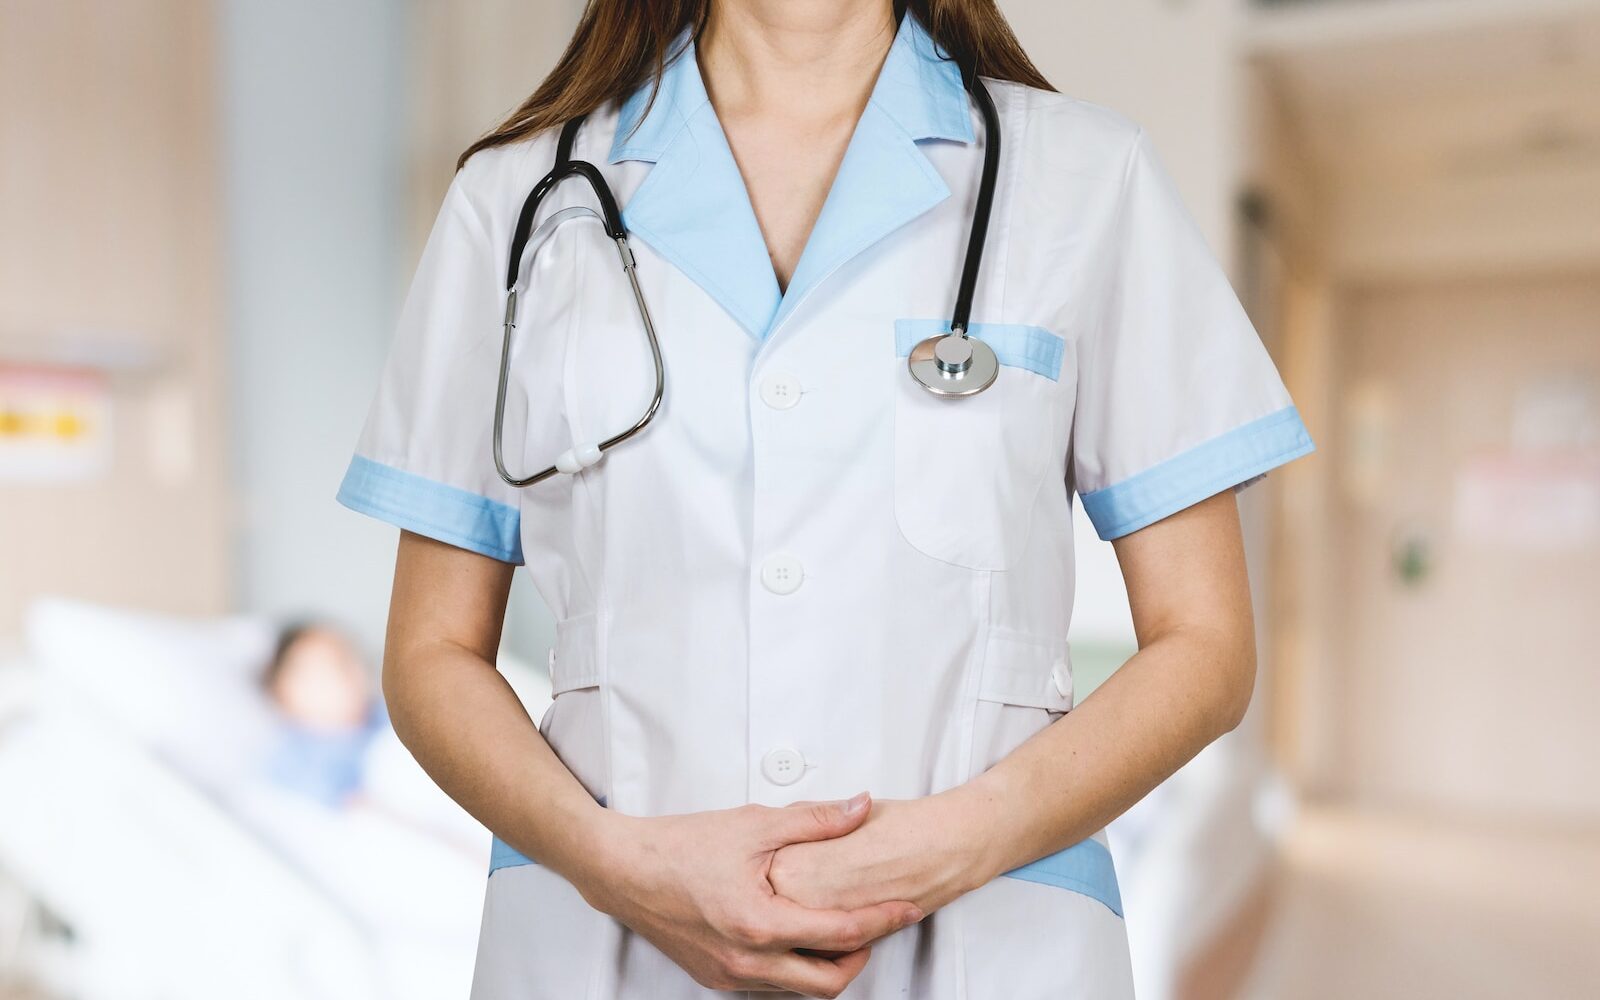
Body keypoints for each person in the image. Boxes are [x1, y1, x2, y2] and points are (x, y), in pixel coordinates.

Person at [336, 1, 1315, 997]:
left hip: (990, 941)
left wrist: (957, 843)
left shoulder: (1084, 179)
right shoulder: (514, 201)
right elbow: (431, 654)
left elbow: (1205, 648)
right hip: (606, 949)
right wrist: (611, 863)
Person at [260, 622, 383, 808]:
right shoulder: (296, 762)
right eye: (338, 665)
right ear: (284, 690)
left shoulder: (384, 718)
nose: (358, 674)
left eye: (355, 660)